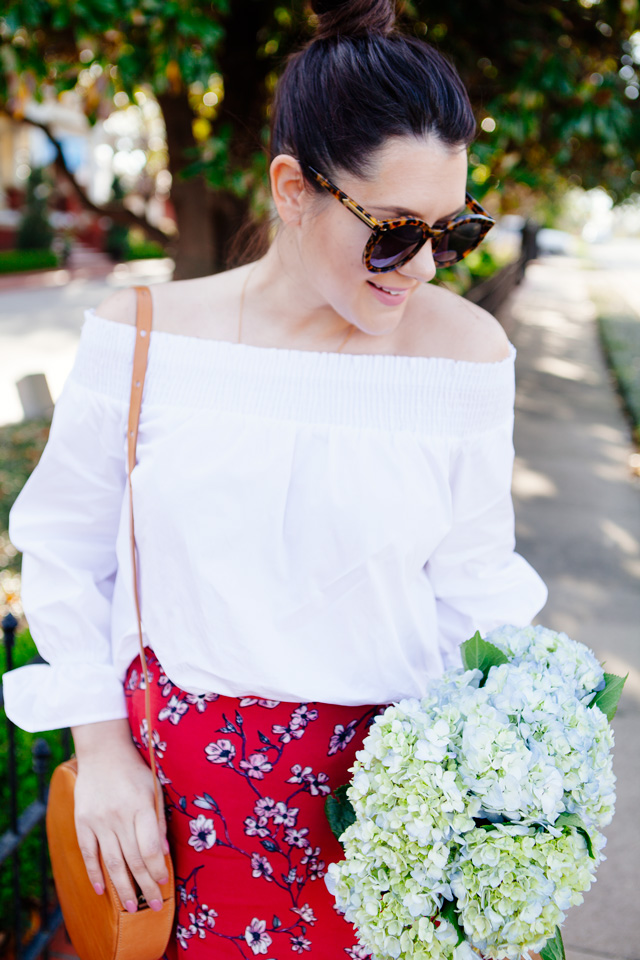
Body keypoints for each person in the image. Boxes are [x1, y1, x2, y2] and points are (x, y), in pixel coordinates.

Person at [2, 0, 548, 956]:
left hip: (388, 828)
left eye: (451, 233)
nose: (421, 268)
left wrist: (504, 810)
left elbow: (477, 595)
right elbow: (60, 550)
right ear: (293, 188)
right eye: (392, 231)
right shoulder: (141, 341)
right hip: (178, 818)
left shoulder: (465, 354)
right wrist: (101, 749)